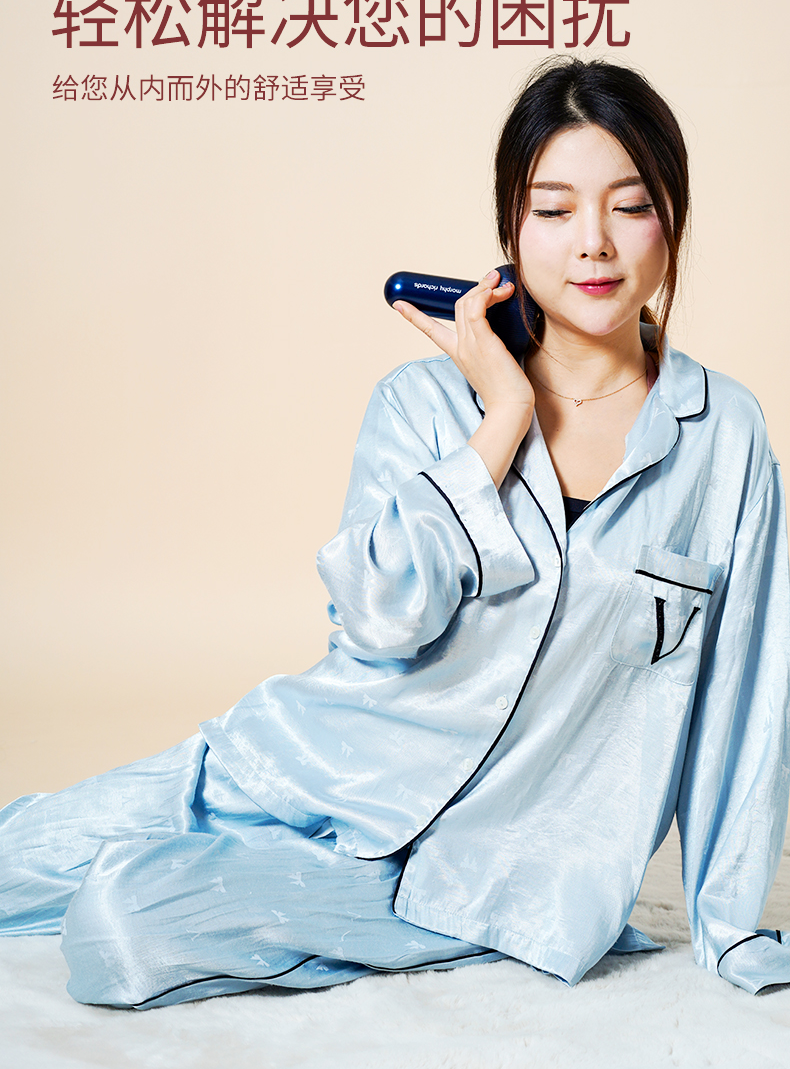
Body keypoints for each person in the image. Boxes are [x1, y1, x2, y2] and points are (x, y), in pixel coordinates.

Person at [1, 58, 788, 1009]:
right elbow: (378, 620)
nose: (594, 242)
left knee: (122, 924)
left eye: (629, 206)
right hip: (302, 770)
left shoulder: (724, 436)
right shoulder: (423, 404)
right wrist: (501, 420)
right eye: (553, 209)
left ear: (673, 220)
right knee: (18, 855)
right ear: (511, 231)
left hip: (489, 876)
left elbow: (745, 700)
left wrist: (732, 926)